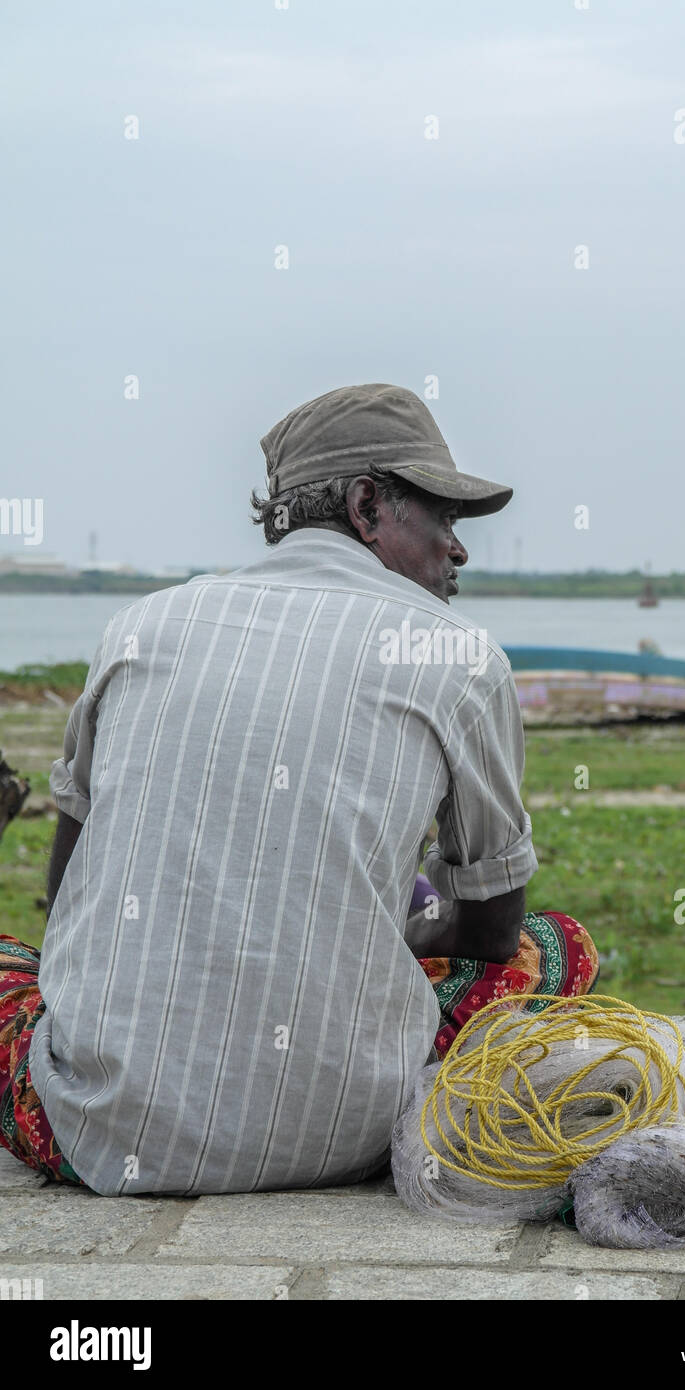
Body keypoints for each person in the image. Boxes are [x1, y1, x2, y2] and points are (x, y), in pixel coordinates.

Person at [0, 383, 597, 1195]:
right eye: (445, 519)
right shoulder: (460, 658)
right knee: (559, 946)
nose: (457, 550)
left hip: (99, 1127)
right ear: (366, 506)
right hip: (355, 1132)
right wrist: (404, 928)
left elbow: (68, 898)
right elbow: (495, 932)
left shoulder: (140, 628)